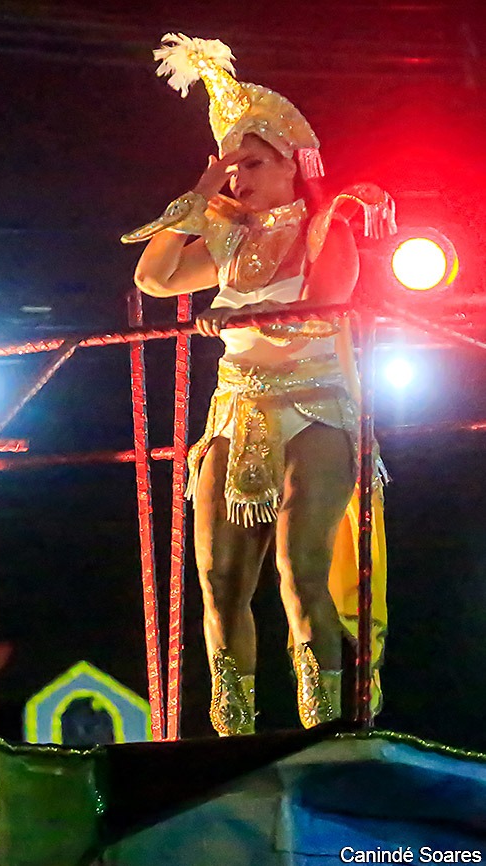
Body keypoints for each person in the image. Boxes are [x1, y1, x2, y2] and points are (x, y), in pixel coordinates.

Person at [124, 34, 392, 735]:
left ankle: (326, 731)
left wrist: (242, 319)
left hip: (316, 408)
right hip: (234, 410)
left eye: (251, 162)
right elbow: (152, 277)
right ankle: (231, 735)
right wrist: (200, 193)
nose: (237, 176)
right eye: (230, 164)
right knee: (218, 581)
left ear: (291, 163)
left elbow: (317, 315)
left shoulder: (328, 229)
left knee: (300, 570)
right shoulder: (228, 239)